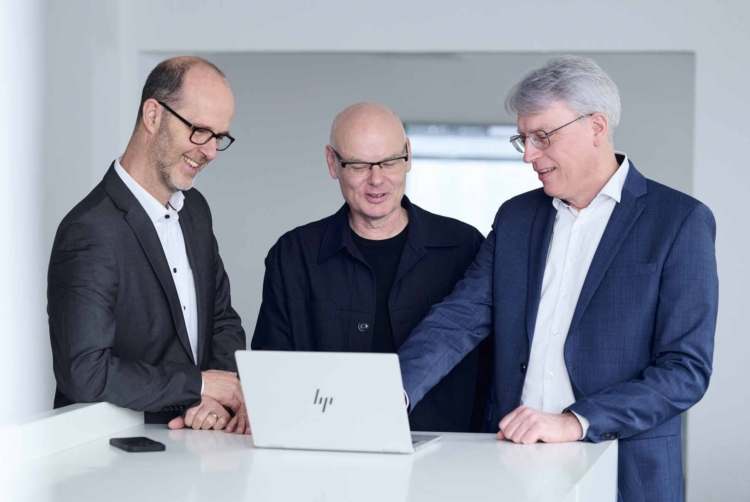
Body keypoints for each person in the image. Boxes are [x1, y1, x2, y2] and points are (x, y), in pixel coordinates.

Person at [398, 56, 718, 500]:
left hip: (627, 472)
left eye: (543, 137)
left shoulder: (679, 221)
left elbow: (685, 370)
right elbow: (458, 318)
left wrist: (575, 422)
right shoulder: (516, 218)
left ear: (596, 127)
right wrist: (392, 395)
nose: (528, 155)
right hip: (512, 467)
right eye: (523, 139)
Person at [251, 102, 492, 432]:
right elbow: (272, 370)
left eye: (389, 162)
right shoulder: (294, 255)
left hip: (447, 454)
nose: (377, 180)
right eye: (358, 165)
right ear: (332, 163)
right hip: (325, 447)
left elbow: (490, 369)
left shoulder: (465, 246)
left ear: (408, 156)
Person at [48, 56, 250, 434]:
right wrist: (198, 386)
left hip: (195, 445)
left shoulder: (196, 211)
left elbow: (222, 320)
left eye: (219, 137)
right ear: (153, 115)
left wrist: (218, 397)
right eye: (200, 131)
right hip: (113, 453)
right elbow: (85, 373)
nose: (210, 151)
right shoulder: (89, 230)